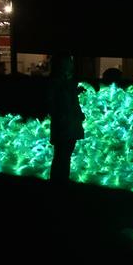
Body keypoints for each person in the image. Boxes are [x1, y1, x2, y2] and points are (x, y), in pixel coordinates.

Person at [48, 54, 85, 183]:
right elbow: (52, 102)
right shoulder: (57, 82)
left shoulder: (68, 81)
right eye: (68, 61)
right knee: (61, 154)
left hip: (70, 123)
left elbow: (73, 101)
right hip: (64, 123)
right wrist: (61, 116)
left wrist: (79, 113)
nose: (71, 64)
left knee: (65, 154)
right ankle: (58, 181)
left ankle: (62, 180)